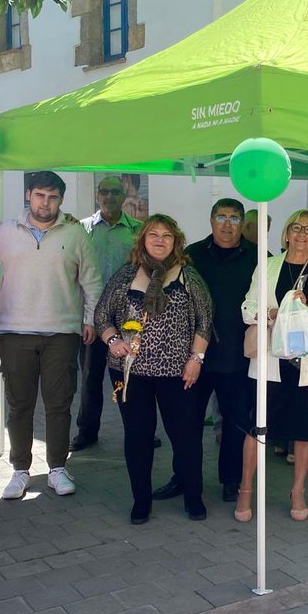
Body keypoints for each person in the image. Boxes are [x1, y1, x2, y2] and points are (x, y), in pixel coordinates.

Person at [94, 215, 213, 523]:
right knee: (137, 437)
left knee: (185, 437)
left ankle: (193, 496)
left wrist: (196, 360)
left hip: (179, 373)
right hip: (130, 374)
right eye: (153, 235)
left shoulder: (189, 277)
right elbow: (102, 315)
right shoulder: (125, 276)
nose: (160, 240)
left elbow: (205, 321)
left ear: (176, 242)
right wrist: (112, 340)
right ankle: (141, 501)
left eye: (167, 236)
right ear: (143, 239)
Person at [0, 170, 101, 500]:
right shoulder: (5, 231)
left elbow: (92, 280)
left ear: (61, 200)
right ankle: (20, 470)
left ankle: (57, 467)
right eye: (40, 195)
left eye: (53, 197)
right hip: (14, 331)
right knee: (19, 405)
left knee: (59, 403)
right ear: (28, 195)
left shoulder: (76, 233)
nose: (45, 202)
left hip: (61, 332)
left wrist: (89, 319)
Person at [239, 210, 308, 522]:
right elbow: (247, 309)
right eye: (296, 227)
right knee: (258, 427)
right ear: (286, 234)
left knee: (305, 430)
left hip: (306, 362)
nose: (302, 234)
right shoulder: (267, 267)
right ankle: (245, 490)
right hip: (271, 361)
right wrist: (272, 312)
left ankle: (298, 490)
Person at [159, 199, 256, 504]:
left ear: (242, 223)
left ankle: (231, 479)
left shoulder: (258, 257)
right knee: (185, 422)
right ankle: (184, 477)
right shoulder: (191, 257)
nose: (227, 225)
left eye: (234, 219)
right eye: (222, 217)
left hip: (237, 356)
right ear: (211, 220)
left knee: (235, 421)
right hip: (192, 358)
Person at [73, 175, 143, 451]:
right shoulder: (81, 230)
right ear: (97, 196)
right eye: (104, 192)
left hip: (128, 319)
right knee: (90, 376)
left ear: (123, 196)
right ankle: (87, 432)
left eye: (115, 192)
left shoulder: (138, 231)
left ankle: (140, 431)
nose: (110, 197)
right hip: (91, 317)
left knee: (132, 377)